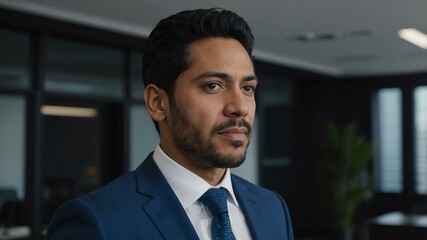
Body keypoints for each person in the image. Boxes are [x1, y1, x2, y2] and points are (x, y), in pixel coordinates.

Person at [45, 8, 294, 240]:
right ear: (158, 103)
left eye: (247, 88)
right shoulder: (97, 220)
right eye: (213, 86)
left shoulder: (272, 208)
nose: (239, 107)